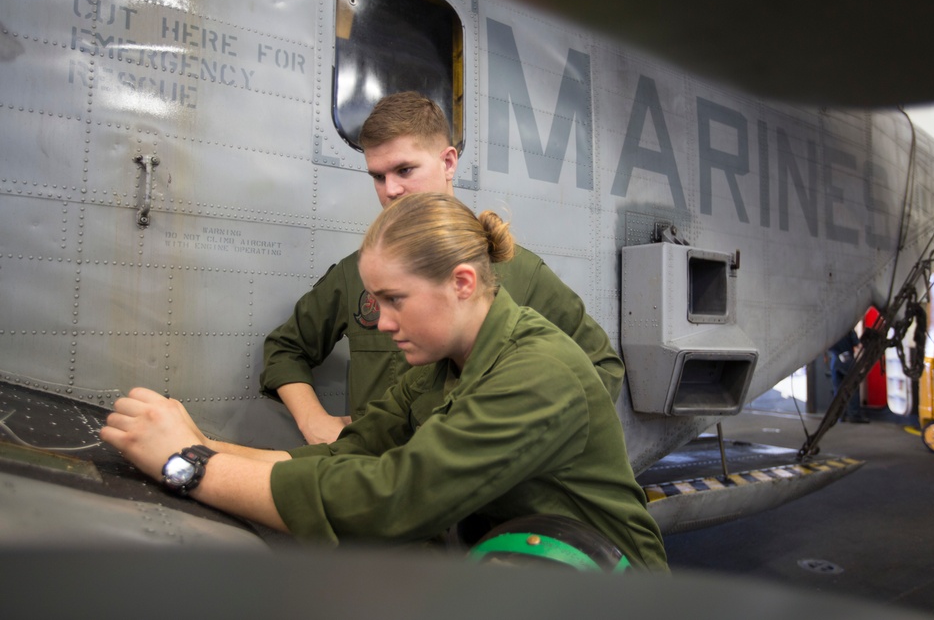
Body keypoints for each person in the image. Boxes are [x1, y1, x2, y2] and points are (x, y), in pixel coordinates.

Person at [100, 193, 668, 571]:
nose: (382, 322)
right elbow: (349, 456)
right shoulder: (440, 366)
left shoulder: (537, 373)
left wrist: (189, 468)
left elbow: (393, 498)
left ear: (463, 282)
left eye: (395, 300)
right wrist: (202, 445)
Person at [261, 92, 624, 444]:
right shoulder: (358, 274)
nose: (391, 190)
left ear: (448, 162)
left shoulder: (519, 272)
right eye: (378, 176)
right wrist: (315, 423)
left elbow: (601, 371)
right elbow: (286, 348)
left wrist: (515, 448)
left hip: (472, 490)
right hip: (376, 484)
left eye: (405, 169)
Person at [829, 330, 868, 423]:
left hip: (835, 361)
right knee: (852, 387)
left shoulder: (831, 330)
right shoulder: (848, 328)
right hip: (847, 361)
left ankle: (840, 415)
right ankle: (855, 415)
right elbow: (858, 345)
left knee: (838, 390)